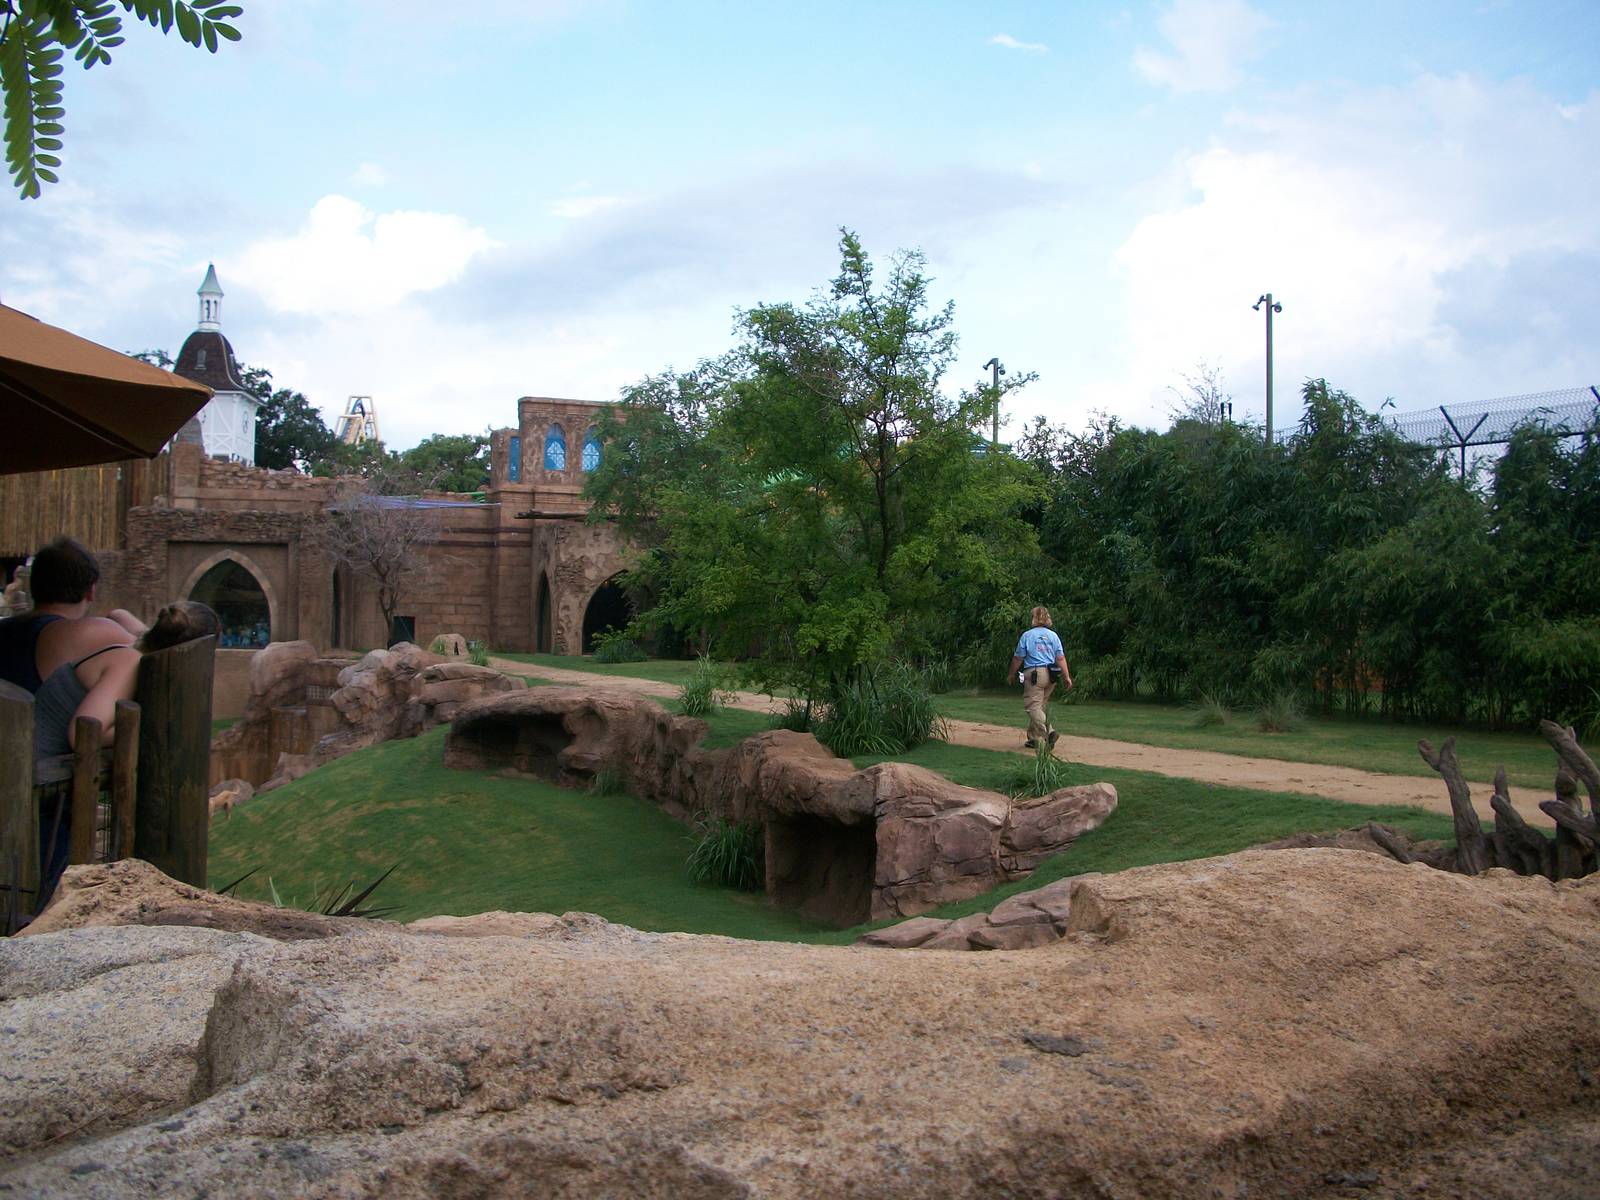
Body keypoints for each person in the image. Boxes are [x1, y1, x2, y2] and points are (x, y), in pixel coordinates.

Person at [33, 600, 219, 909]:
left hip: (50, 792)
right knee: (43, 895)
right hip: (35, 788)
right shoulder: (129, 662)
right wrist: (149, 731)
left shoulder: (138, 645)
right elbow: (84, 730)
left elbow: (119, 614)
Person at [0, 537, 147, 694]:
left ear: (33, 585)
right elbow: (155, 650)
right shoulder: (89, 632)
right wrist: (121, 616)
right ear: (91, 592)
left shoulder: (5, 628)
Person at [1007, 605, 1073, 750]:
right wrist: (1067, 676)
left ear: (1034, 618)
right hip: (1052, 675)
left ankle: (1049, 732)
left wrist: (1012, 674)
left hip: (1035, 673)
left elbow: (1018, 658)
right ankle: (1033, 738)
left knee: (1032, 706)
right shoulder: (1053, 636)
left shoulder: (1028, 635)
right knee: (1040, 705)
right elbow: (1060, 658)